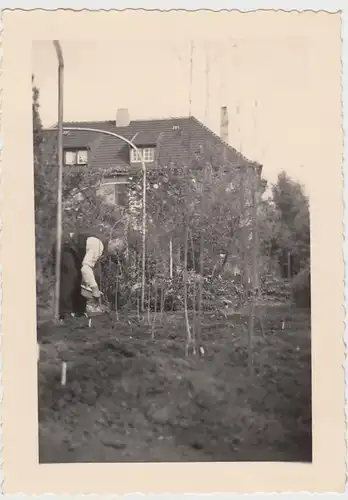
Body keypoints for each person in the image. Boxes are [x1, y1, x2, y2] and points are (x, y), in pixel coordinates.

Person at [52, 228, 123, 321]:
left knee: (80, 279)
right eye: (116, 250)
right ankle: (65, 314)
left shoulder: (102, 248)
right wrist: (95, 288)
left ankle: (79, 312)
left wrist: (90, 285)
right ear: (113, 243)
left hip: (73, 251)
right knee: (70, 277)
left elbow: (87, 271)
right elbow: (86, 268)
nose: (115, 254)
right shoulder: (98, 245)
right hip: (65, 245)